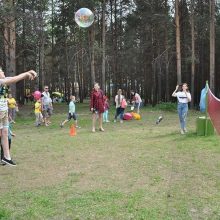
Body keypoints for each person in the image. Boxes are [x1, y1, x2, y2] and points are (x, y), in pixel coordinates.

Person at [0, 66, 37, 166]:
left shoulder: (4, 80)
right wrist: (26, 74)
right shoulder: (1, 82)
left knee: (5, 132)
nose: (3, 72)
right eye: (1, 71)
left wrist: (28, 72)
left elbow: (15, 77)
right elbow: (13, 79)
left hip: (4, 111)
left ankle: (7, 157)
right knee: (2, 133)